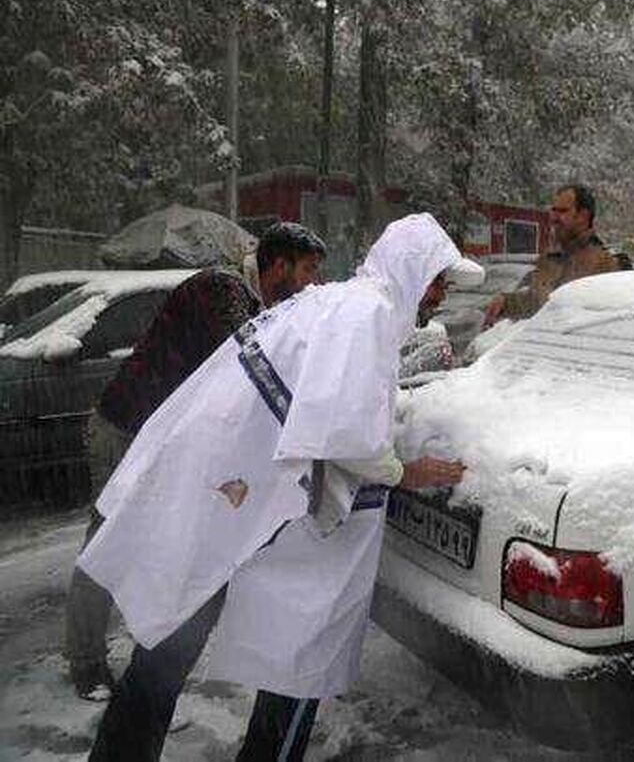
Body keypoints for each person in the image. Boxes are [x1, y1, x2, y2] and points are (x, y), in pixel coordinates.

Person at [76, 213, 482, 761]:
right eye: (437, 280)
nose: (440, 295)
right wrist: (407, 471)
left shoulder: (342, 304)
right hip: (231, 485)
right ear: (412, 269)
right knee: (288, 651)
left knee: (175, 629)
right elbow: (345, 432)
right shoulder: (368, 313)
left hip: (227, 483)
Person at [66, 222, 327, 701]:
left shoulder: (252, 302)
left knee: (158, 537)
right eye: (308, 270)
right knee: (107, 538)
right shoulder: (221, 289)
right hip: (126, 426)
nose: (313, 282)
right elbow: (251, 361)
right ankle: (85, 663)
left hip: (158, 437)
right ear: (279, 265)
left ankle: (150, 637)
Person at [482, 183, 628, 327]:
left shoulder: (609, 264)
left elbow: (622, 323)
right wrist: (506, 303)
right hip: (545, 347)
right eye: (553, 210)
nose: (553, 217)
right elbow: (536, 303)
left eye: (563, 211)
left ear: (583, 216)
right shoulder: (549, 259)